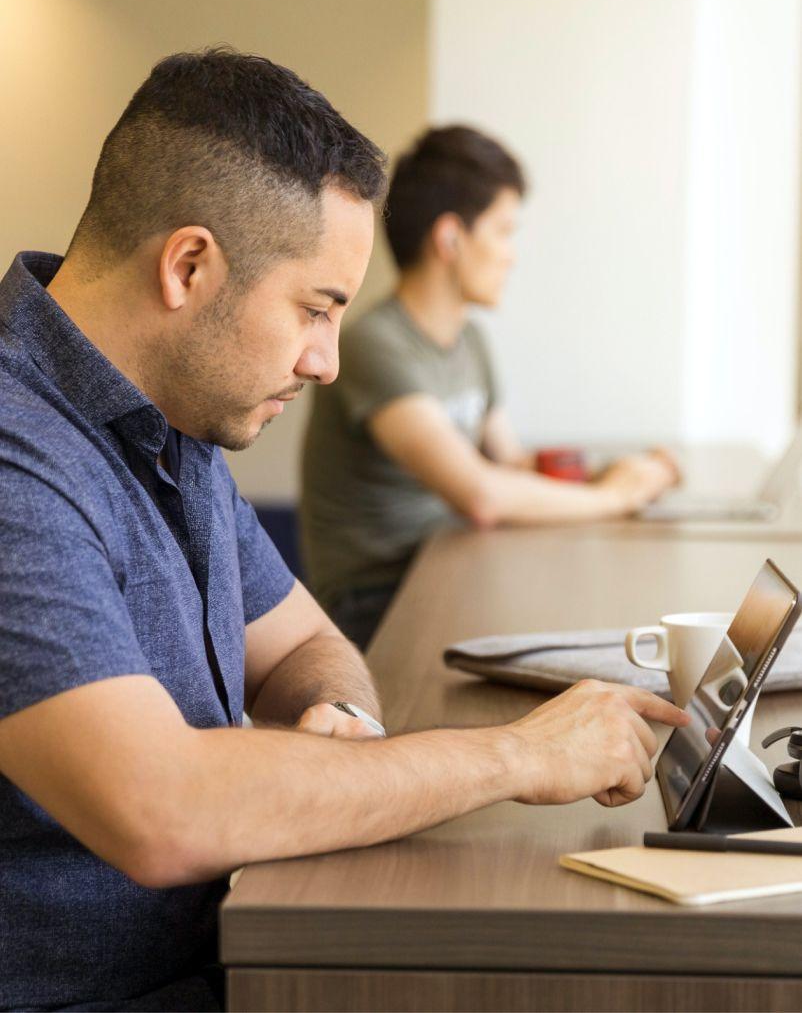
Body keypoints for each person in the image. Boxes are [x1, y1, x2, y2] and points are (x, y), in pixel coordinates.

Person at [0, 49, 688, 1012]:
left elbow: (312, 647)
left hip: (230, 952)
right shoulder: (18, 455)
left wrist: (344, 728)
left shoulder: (173, 425)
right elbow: (156, 808)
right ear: (188, 266)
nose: (326, 361)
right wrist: (519, 756)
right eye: (315, 310)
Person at [301, 126, 678, 648]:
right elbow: (481, 494)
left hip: (452, 564)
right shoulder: (374, 345)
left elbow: (509, 465)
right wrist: (615, 498)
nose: (512, 255)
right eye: (503, 231)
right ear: (450, 238)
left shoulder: (469, 341)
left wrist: (611, 472)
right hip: (380, 601)